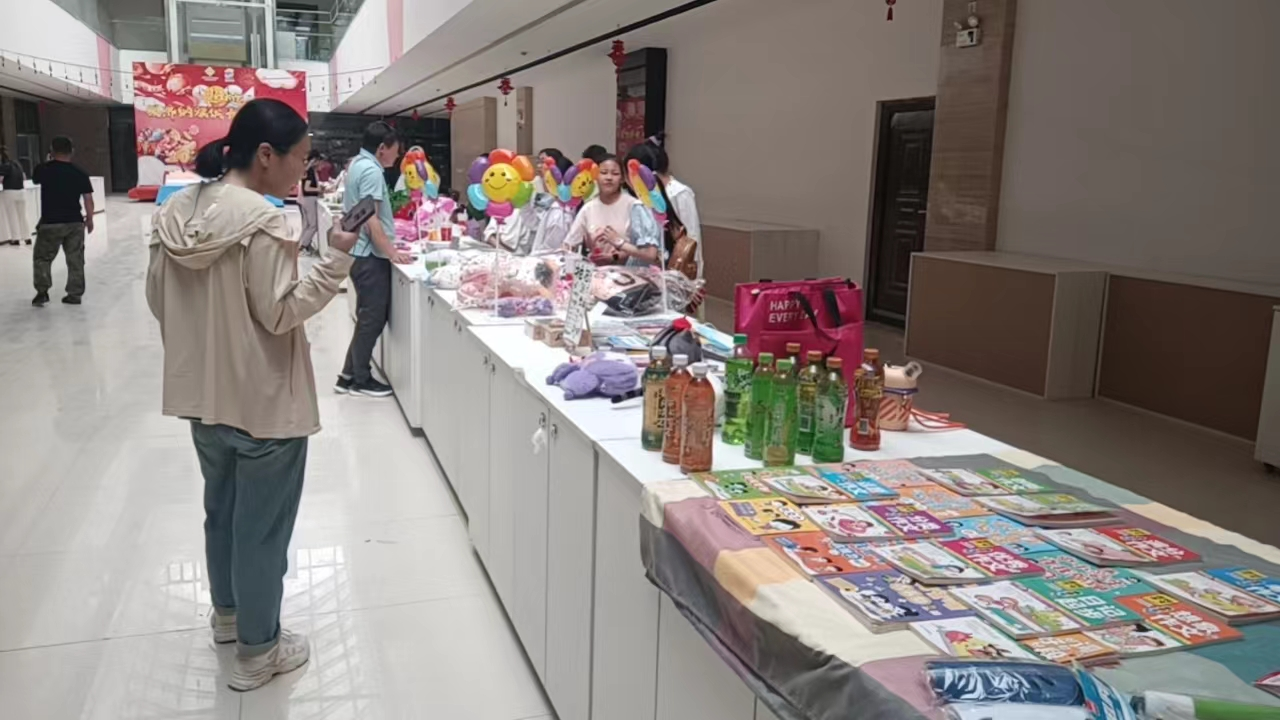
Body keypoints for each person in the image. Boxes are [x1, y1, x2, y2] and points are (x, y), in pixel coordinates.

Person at [145, 98, 361, 692]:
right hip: (264, 405)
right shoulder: (264, 222)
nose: (304, 170)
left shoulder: (176, 210)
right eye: (300, 158)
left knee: (222, 513)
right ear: (266, 154)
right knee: (262, 532)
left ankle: (228, 616)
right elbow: (281, 312)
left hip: (203, 396)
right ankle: (258, 651)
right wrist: (337, 257)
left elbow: (159, 302)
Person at [336, 121, 408, 398]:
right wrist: (391, 252)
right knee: (372, 319)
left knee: (367, 316)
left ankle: (347, 375)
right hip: (369, 255)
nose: (397, 156)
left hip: (360, 252)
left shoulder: (357, 164)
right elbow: (370, 218)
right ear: (382, 148)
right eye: (396, 150)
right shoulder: (371, 171)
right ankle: (361, 380)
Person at [563, 154, 661, 267]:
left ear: (622, 179)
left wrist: (616, 250)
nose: (609, 177)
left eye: (615, 173)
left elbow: (648, 253)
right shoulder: (588, 208)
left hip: (630, 272)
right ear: (595, 176)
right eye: (603, 172)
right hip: (597, 272)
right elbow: (569, 244)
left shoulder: (634, 206)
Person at [626, 134, 703, 277]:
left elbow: (692, 240)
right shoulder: (642, 198)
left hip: (673, 272)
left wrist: (691, 280)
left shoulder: (679, 193)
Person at [31, 136, 94, 306]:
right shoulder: (80, 172)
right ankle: (75, 294)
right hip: (74, 222)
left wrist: (47, 161)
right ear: (72, 151)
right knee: (76, 259)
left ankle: (42, 292)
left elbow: (36, 178)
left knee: (42, 258)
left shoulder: (43, 170)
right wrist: (90, 219)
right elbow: (88, 198)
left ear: (51, 151)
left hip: (50, 222)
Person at [0, 148, 30, 246]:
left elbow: (0, 179)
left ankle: (15, 238)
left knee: (12, 216)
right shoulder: (17, 164)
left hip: (10, 192)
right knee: (23, 216)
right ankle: (27, 237)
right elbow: (24, 177)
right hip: (22, 191)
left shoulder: (4, 166)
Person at [298, 150, 322, 255]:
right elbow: (307, 188)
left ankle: (302, 244)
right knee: (313, 225)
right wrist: (320, 190)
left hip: (304, 199)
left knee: (307, 224)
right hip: (309, 199)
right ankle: (303, 246)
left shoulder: (307, 170)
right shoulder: (310, 171)